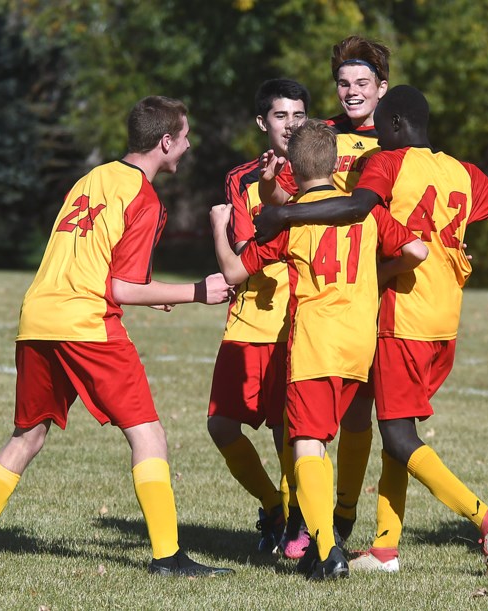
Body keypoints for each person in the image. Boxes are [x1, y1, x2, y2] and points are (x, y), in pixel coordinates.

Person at [253, 85, 488, 578]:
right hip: (445, 323)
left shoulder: (387, 161)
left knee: (396, 437)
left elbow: (355, 209)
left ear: (393, 124)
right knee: (400, 430)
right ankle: (385, 547)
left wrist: (285, 213)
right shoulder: (463, 171)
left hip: (401, 318)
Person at [0, 96, 234, 577]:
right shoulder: (143, 195)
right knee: (148, 434)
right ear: (165, 142)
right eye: (184, 137)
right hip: (86, 322)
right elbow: (118, 287)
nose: (187, 145)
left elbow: (104, 265)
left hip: (37, 317)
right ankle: (168, 556)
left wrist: (149, 292)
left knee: (28, 435)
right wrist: (197, 292)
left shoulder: (91, 178)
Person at [210, 119, 427, 580]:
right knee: (333, 437)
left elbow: (233, 272)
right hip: (359, 345)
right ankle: (327, 535)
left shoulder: (291, 223)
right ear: (335, 164)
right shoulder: (364, 211)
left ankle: (328, 550)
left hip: (315, 345)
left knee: (306, 442)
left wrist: (217, 227)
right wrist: (376, 276)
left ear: (294, 166)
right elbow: (416, 253)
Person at [259, 35, 392, 544]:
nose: (351, 92)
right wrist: (274, 193)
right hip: (319, 290)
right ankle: (298, 516)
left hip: (372, 286)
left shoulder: (394, 138)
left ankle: (343, 515)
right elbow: (293, 194)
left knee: (360, 410)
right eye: (343, 83)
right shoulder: (318, 134)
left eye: (362, 83)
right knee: (304, 415)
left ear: (382, 87)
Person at [208, 78, 309, 558]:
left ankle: (297, 523)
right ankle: (274, 505)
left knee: (286, 431)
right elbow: (252, 246)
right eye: (280, 116)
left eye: (298, 115)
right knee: (221, 425)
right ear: (262, 122)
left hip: (297, 320)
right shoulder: (241, 178)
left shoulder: (318, 174)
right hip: (248, 317)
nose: (290, 124)